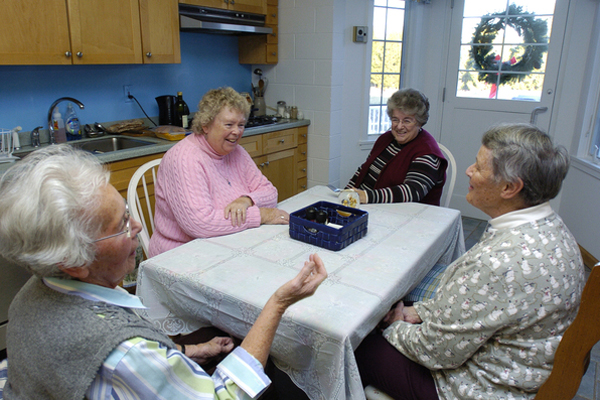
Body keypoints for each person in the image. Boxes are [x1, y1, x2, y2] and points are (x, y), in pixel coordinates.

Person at [0, 145, 327, 400]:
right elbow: (224, 395)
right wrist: (278, 303)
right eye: (122, 225)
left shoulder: (34, 289)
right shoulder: (124, 352)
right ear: (73, 261)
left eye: (128, 214)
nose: (139, 226)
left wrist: (198, 350)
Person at [355, 123, 585, 400]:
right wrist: (420, 313)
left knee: (359, 342)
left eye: (478, 167)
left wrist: (394, 324)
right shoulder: (551, 226)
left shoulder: (498, 263)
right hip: (522, 362)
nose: (468, 171)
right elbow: (483, 308)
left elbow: (436, 352)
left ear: (510, 187)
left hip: (480, 387)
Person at [149, 87, 289, 257]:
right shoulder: (184, 159)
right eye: (229, 124)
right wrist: (260, 215)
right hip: (182, 253)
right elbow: (200, 224)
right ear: (206, 125)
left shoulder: (237, 152)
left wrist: (246, 200)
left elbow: (270, 193)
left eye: (241, 125)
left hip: (226, 241)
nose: (237, 132)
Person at [346, 88, 447, 205]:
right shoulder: (386, 139)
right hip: (370, 206)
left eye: (407, 121)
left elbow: (413, 191)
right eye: (395, 119)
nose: (399, 126)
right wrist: (346, 192)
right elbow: (364, 170)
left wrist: (366, 196)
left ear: (420, 122)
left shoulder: (427, 152)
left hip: (408, 216)